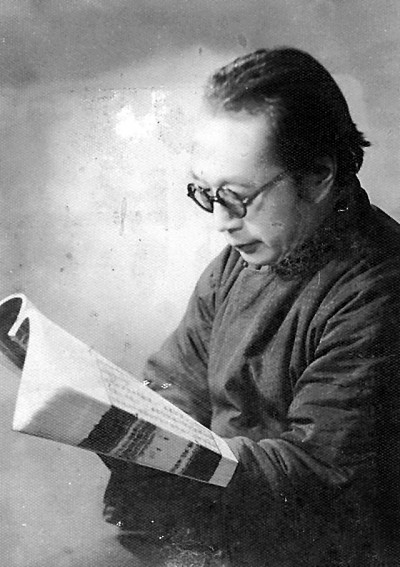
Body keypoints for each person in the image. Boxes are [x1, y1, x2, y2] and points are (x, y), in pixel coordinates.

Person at [101, 47, 400, 567]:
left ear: (318, 175)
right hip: (223, 525)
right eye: (207, 192)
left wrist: (163, 457)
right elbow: (175, 384)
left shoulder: (379, 289)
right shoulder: (237, 264)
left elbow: (320, 473)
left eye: (238, 195)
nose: (221, 221)